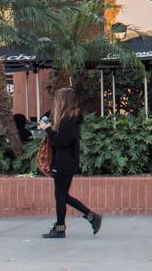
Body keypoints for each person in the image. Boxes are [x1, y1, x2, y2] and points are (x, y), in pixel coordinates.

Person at [35, 88, 102, 239]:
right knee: (62, 195)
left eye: (58, 100)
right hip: (66, 162)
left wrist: (48, 130)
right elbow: (47, 118)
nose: (55, 102)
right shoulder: (69, 118)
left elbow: (60, 141)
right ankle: (84, 219)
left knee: (61, 196)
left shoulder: (69, 120)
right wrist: (48, 121)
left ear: (63, 101)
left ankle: (65, 227)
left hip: (64, 162)